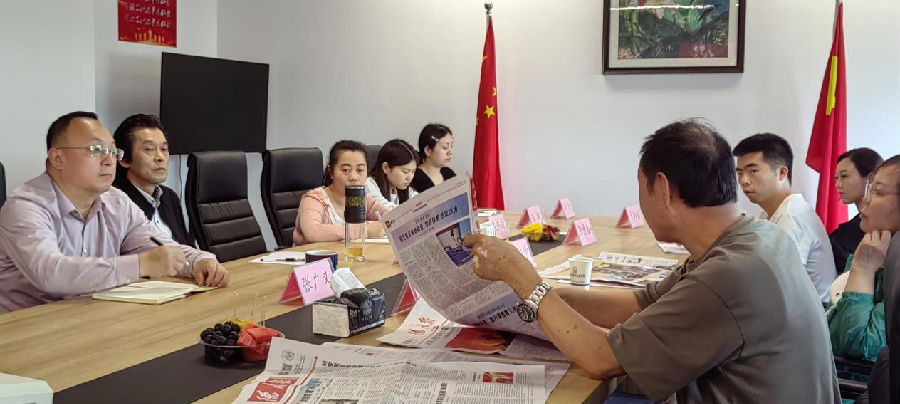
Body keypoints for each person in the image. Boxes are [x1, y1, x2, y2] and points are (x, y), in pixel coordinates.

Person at [464, 119, 839, 403]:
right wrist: (537, 294)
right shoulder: (755, 237)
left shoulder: (729, 274)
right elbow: (639, 303)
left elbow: (601, 359)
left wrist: (524, 279)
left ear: (662, 188)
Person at [0, 111, 229, 313]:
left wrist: (199, 261)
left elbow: (160, 247)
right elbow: (50, 273)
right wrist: (140, 265)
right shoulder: (25, 206)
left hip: (91, 317)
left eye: (113, 151)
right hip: (28, 328)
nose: (109, 160)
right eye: (96, 150)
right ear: (57, 158)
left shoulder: (116, 201)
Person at [733, 133, 837, 305]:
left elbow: (780, 285)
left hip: (812, 313)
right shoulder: (770, 213)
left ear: (782, 173)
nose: (744, 181)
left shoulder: (792, 216)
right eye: (740, 173)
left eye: (753, 171)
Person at [827, 155, 899, 362]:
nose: (865, 200)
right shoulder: (873, 246)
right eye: (870, 189)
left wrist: (863, 270)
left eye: (877, 191)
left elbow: (859, 347)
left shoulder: (875, 260)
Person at [112, 113, 195, 247]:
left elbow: (187, 247)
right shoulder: (114, 204)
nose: (160, 157)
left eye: (164, 149)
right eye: (149, 149)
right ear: (124, 159)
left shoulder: (169, 197)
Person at [293, 140, 389, 245]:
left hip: (349, 254)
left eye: (360, 170)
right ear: (331, 172)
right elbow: (312, 232)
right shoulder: (314, 199)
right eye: (345, 170)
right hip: (314, 255)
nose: (354, 177)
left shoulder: (362, 199)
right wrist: (363, 230)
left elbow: (392, 217)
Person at [831, 148, 883, 273]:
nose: (838, 184)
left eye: (844, 176)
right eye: (836, 178)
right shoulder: (841, 237)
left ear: (871, 179)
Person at [366, 139, 419, 209]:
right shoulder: (369, 185)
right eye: (405, 172)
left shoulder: (401, 187)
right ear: (386, 167)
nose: (410, 177)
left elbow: (420, 200)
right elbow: (386, 210)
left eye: (413, 171)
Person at [410, 123, 455, 192]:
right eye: (445, 147)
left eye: (451, 146)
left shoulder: (448, 173)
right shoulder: (416, 178)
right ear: (428, 150)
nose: (450, 152)